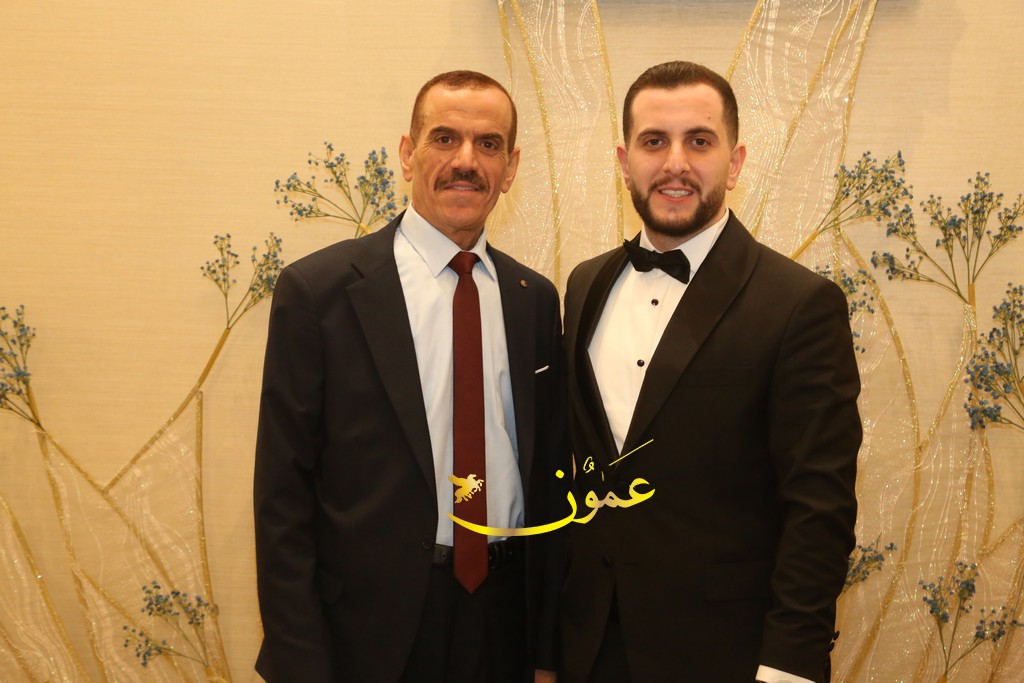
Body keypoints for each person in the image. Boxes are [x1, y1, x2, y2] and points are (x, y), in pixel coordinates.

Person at [254, 70, 567, 682]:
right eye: (444, 138)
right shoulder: (319, 293)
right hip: (371, 633)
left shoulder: (533, 299)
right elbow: (281, 497)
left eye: (489, 144)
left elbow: (551, 476)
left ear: (510, 167)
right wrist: (301, 663)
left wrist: (548, 654)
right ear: (407, 153)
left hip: (506, 624)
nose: (466, 161)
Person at [558, 61, 861, 683]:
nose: (675, 163)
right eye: (654, 141)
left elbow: (819, 507)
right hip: (589, 650)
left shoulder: (799, 304)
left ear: (735, 161)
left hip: (728, 655)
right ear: (624, 163)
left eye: (699, 141)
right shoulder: (585, 284)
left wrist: (788, 667)